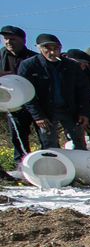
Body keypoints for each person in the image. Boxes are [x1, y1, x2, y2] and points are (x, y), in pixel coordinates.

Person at [17, 33, 90, 150]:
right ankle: (54, 167)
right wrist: (38, 115)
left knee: (80, 142)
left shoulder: (71, 66)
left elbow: (84, 90)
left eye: (55, 48)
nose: (52, 52)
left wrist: (84, 112)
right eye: (47, 49)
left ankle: (80, 166)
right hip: (45, 111)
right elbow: (26, 92)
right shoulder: (29, 66)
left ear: (60, 48)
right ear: (39, 48)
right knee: (50, 145)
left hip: (70, 110)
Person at [2, 25, 37, 156]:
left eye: (12, 39)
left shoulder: (34, 58)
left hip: (35, 102)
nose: (8, 42)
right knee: (17, 136)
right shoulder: (1, 56)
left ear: (23, 40)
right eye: (5, 39)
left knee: (44, 135)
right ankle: (21, 164)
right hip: (13, 104)